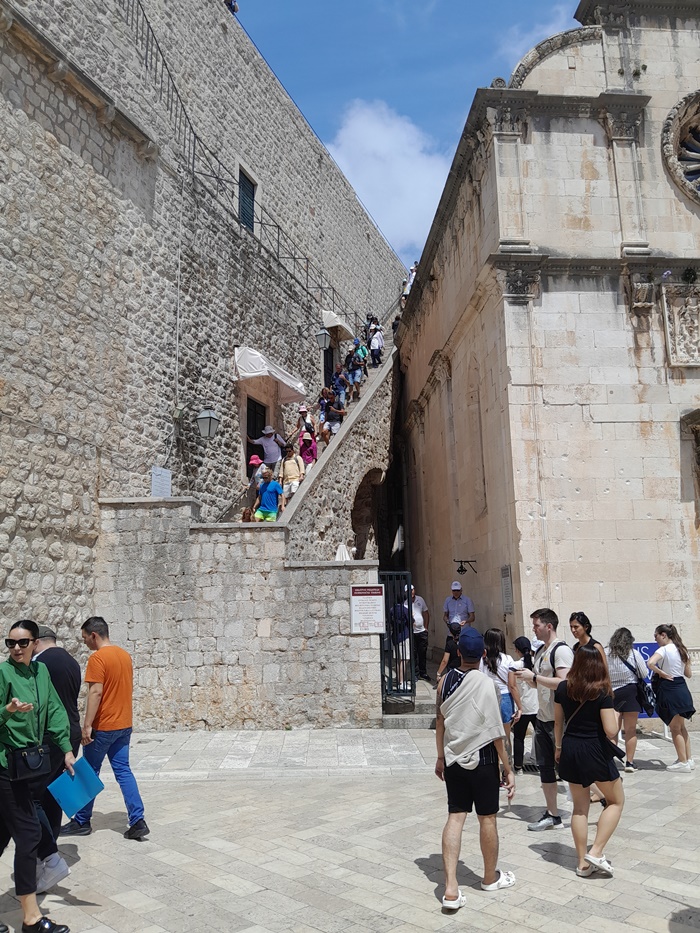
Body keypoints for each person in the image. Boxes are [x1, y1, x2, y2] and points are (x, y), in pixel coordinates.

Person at [0, 620, 75, 933]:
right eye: (10, 643)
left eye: (22, 642)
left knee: (2, 836)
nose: (16, 648)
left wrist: (67, 749)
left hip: (30, 766)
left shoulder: (42, 672)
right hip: (5, 767)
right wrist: (8, 711)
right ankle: (30, 919)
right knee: (30, 836)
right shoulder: (2, 673)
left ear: (34, 643)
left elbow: (56, 711)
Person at [435, 627, 516, 911]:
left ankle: (451, 889)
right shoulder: (486, 683)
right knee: (487, 819)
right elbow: (496, 731)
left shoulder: (444, 682)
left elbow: (440, 723)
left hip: (454, 757)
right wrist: (508, 769)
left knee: (455, 817)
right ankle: (490, 878)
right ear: (482, 653)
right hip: (483, 759)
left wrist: (439, 758)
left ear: (458, 652)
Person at [61, 617, 149, 841]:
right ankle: (138, 820)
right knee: (123, 771)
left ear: (94, 635)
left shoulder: (98, 658)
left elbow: (96, 693)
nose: (85, 644)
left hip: (104, 726)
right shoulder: (124, 655)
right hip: (124, 725)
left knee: (88, 771)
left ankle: (81, 821)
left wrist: (87, 726)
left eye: (85, 639)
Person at [554, 643, 625, 878]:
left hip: (570, 747)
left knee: (580, 808)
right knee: (615, 801)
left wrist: (558, 747)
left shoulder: (563, 688)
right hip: (594, 749)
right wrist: (615, 712)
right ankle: (596, 851)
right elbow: (611, 730)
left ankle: (582, 864)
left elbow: (558, 722)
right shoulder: (602, 692)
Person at [515, 607, 574, 831]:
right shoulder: (540, 652)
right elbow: (540, 682)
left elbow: (564, 682)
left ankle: (600, 798)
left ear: (549, 626)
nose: (534, 629)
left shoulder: (561, 651)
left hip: (561, 720)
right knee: (545, 768)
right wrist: (527, 679)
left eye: (537, 625)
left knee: (572, 768)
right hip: (543, 717)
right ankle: (552, 814)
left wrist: (535, 677)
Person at [32, 625, 81, 893]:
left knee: (36, 795)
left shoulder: (40, 665)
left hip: (52, 737)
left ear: (37, 642)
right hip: (70, 734)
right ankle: (49, 850)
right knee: (54, 795)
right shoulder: (71, 661)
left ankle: (46, 856)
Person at [647, 623, 695, 772]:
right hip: (682, 688)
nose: (655, 639)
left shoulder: (664, 649)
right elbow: (688, 674)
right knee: (681, 726)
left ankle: (682, 762)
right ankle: (688, 759)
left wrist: (661, 673)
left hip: (670, 688)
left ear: (663, 635)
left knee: (675, 728)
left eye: (656, 636)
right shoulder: (682, 649)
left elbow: (650, 663)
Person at [606, 627, 648, 772]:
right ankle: (629, 763)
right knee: (630, 730)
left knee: (612, 731)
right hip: (631, 693)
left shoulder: (606, 654)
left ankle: (610, 763)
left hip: (611, 693)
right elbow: (643, 673)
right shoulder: (634, 654)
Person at [480, 629, 522, 772]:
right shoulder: (508, 659)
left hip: (488, 698)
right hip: (504, 698)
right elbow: (512, 685)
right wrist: (520, 707)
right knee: (505, 737)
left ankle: (495, 771)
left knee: (490, 737)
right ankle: (507, 770)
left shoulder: (481, 660)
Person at [510, 636, 539, 774]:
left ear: (517, 650)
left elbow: (512, 686)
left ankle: (518, 767)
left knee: (519, 737)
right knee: (541, 737)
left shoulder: (515, 665)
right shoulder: (537, 663)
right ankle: (546, 764)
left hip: (522, 706)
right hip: (537, 706)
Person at [404, 585, 430, 682]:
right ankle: (415, 674)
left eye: (412, 589)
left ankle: (423, 672)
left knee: (422, 652)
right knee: (413, 653)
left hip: (422, 631)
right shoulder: (405, 604)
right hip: (412, 632)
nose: (411, 592)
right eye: (409, 590)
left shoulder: (420, 600)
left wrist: (426, 627)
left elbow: (426, 613)